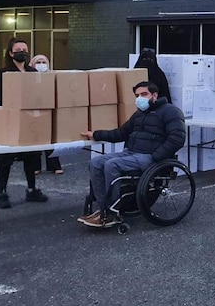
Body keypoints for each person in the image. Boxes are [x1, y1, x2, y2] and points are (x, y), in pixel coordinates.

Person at [78, 81, 185, 227]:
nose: (140, 98)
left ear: (154, 95)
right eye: (137, 95)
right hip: (132, 153)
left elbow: (177, 139)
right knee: (96, 162)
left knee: (111, 165)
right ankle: (103, 208)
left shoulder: (171, 111)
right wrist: (96, 134)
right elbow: (121, 133)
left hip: (151, 156)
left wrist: (156, 156)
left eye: (143, 94)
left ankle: (112, 212)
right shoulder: (139, 114)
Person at [0, 38, 48, 209]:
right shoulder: (4, 73)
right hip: (10, 119)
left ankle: (31, 189)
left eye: (25, 49)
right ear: (11, 53)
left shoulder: (32, 72)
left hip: (30, 118)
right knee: (6, 157)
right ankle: (2, 192)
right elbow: (3, 97)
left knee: (31, 155)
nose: (22, 52)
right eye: (18, 49)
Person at [29, 54, 63, 175]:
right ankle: (35, 166)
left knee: (51, 139)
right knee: (35, 138)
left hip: (49, 110)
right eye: (39, 62)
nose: (41, 65)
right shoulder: (28, 77)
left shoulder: (52, 76)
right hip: (33, 110)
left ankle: (54, 165)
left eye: (44, 62)